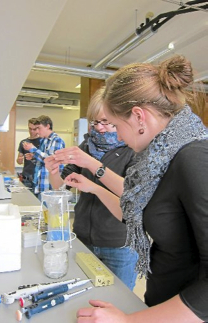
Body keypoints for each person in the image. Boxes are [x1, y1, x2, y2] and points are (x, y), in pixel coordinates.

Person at [63, 55, 208, 322]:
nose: (116, 135)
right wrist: (94, 189)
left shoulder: (194, 158)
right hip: (161, 306)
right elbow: (134, 213)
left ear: (139, 117)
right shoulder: (156, 161)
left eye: (116, 125)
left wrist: (128, 321)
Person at [45, 87, 139, 290]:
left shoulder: (134, 150)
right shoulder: (86, 146)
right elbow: (59, 186)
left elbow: (131, 193)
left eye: (106, 122)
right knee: (85, 297)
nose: (100, 128)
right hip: (83, 237)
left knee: (119, 301)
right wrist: (53, 170)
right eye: (96, 122)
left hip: (119, 243)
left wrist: (91, 165)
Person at [23, 115, 65, 199]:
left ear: (48, 126)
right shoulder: (44, 141)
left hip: (50, 188)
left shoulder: (57, 140)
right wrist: (34, 157)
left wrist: (33, 150)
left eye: (39, 128)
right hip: (41, 186)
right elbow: (42, 163)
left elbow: (51, 161)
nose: (37, 132)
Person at [16, 118, 40, 190]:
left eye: (34, 129)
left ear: (38, 129)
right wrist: (19, 160)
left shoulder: (42, 142)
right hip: (26, 179)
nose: (32, 131)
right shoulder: (24, 142)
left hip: (38, 178)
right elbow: (19, 160)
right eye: (30, 129)